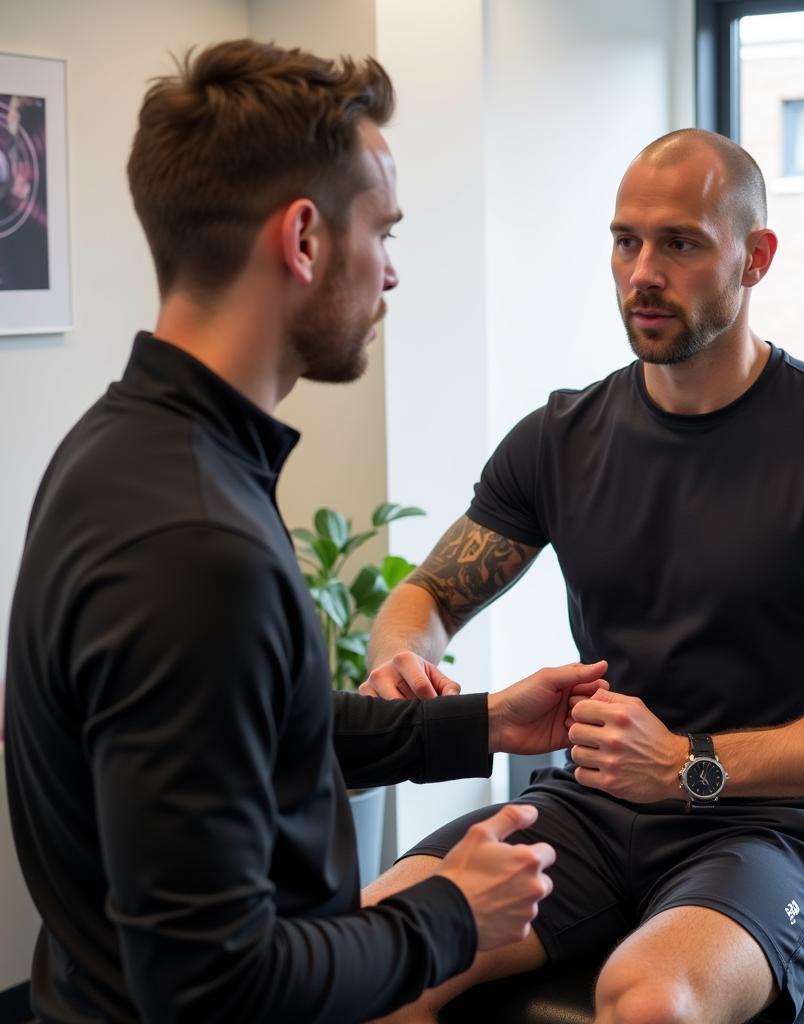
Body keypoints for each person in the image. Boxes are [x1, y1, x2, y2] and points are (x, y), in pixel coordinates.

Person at [2, 39, 612, 1024]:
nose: (393, 275)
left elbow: (249, 729)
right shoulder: (198, 544)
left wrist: (480, 720)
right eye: (385, 231)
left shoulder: (118, 449)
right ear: (303, 238)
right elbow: (211, 985)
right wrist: (449, 913)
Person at [359, 128, 804, 1024]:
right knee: (370, 951)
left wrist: (690, 767)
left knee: (649, 1002)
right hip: (590, 807)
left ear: (754, 258)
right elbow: (429, 596)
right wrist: (401, 656)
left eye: (680, 243)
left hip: (774, 826)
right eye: (625, 240)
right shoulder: (560, 438)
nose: (643, 271)